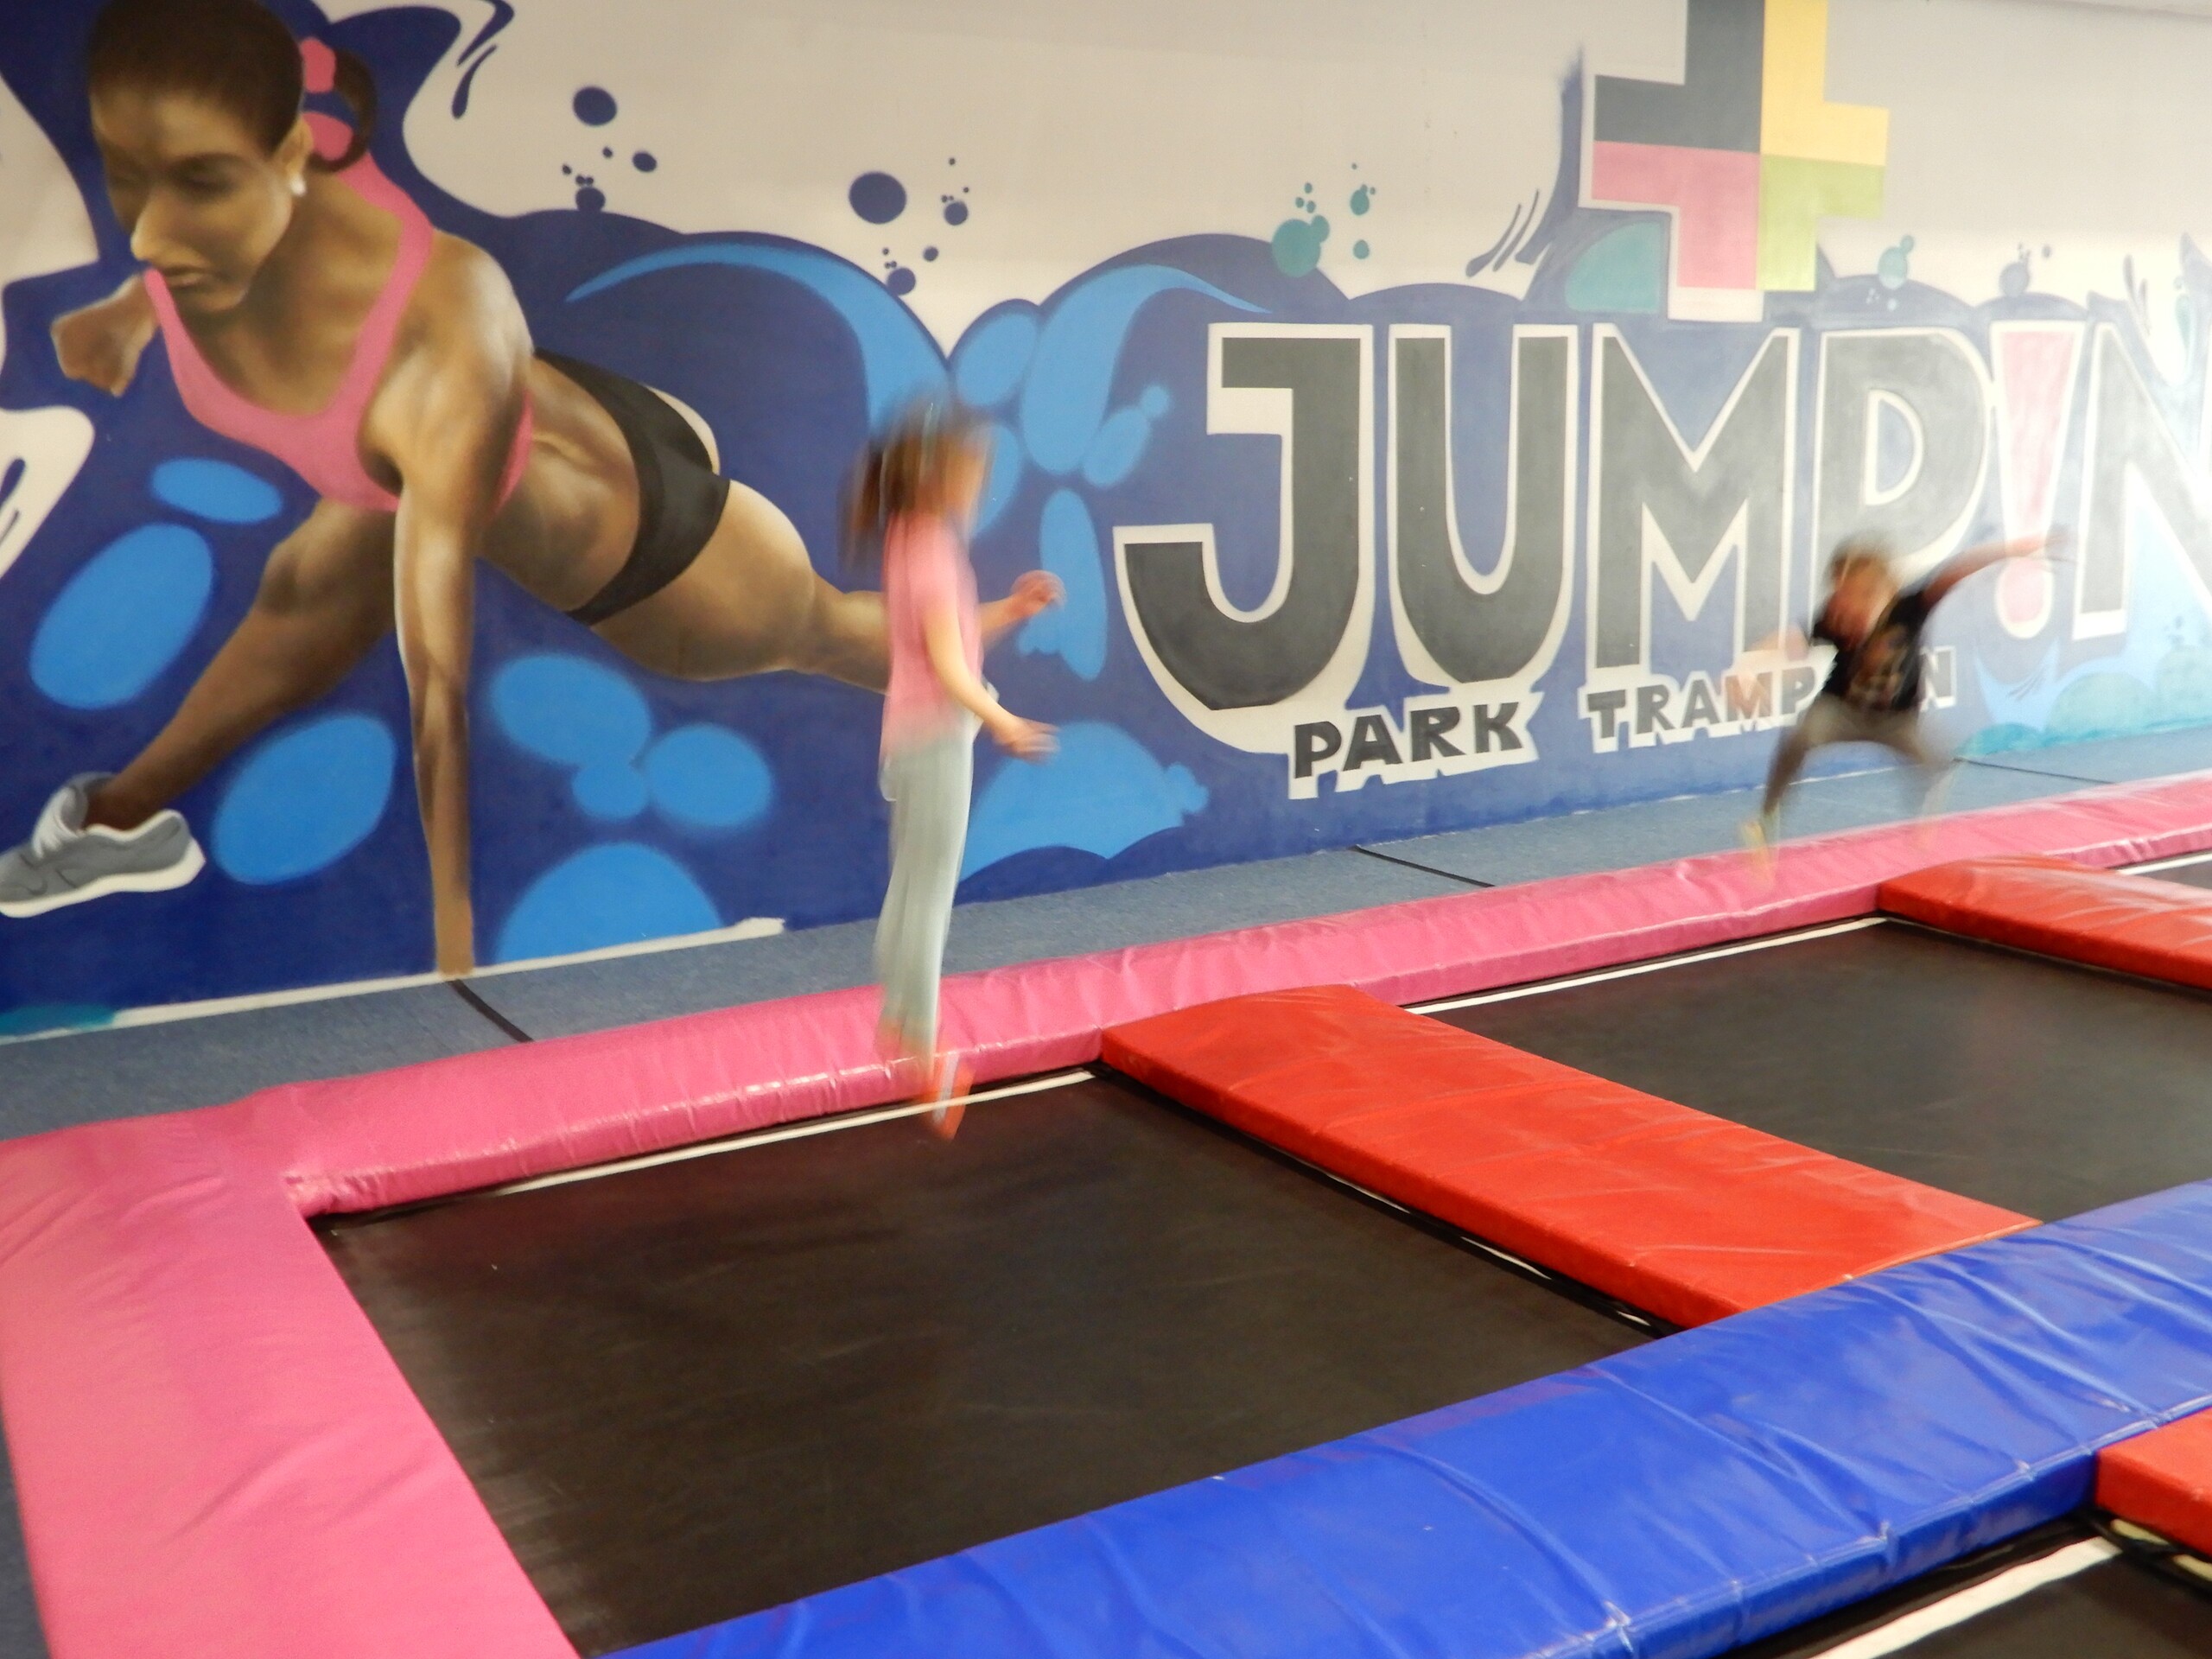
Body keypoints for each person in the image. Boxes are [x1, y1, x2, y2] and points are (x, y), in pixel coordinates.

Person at [0, 0, 1051, 975]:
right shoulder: (275, 183)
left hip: (664, 554)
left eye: (198, 182)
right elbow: (183, 233)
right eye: (126, 175)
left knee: (825, 632)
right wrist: (129, 314)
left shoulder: (428, 355)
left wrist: (452, 944)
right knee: (302, 581)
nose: (148, 232)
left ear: (286, 158)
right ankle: (116, 823)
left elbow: (437, 680)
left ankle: (966, 672)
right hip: (558, 416)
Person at [852, 404, 1059, 1134]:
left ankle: (901, 1020)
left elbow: (948, 634)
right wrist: (1004, 721)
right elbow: (948, 666)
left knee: (913, 883)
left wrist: (1015, 608)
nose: (982, 488)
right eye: (975, 474)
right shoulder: (934, 551)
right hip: (937, 738)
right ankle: (918, 1041)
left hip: (909, 740)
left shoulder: (910, 537)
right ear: (942, 478)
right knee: (928, 893)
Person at [1744, 530, 2056, 861]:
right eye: (1842, 595)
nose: (1849, 608)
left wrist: (2011, 550)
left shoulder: (1911, 606)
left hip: (1896, 721)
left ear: (1886, 591)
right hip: (1841, 711)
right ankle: (1766, 819)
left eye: (1861, 596)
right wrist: (1748, 665)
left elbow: (1957, 571)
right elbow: (1792, 640)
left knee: (1937, 764)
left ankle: (1925, 819)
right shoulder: (1834, 618)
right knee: (1799, 737)